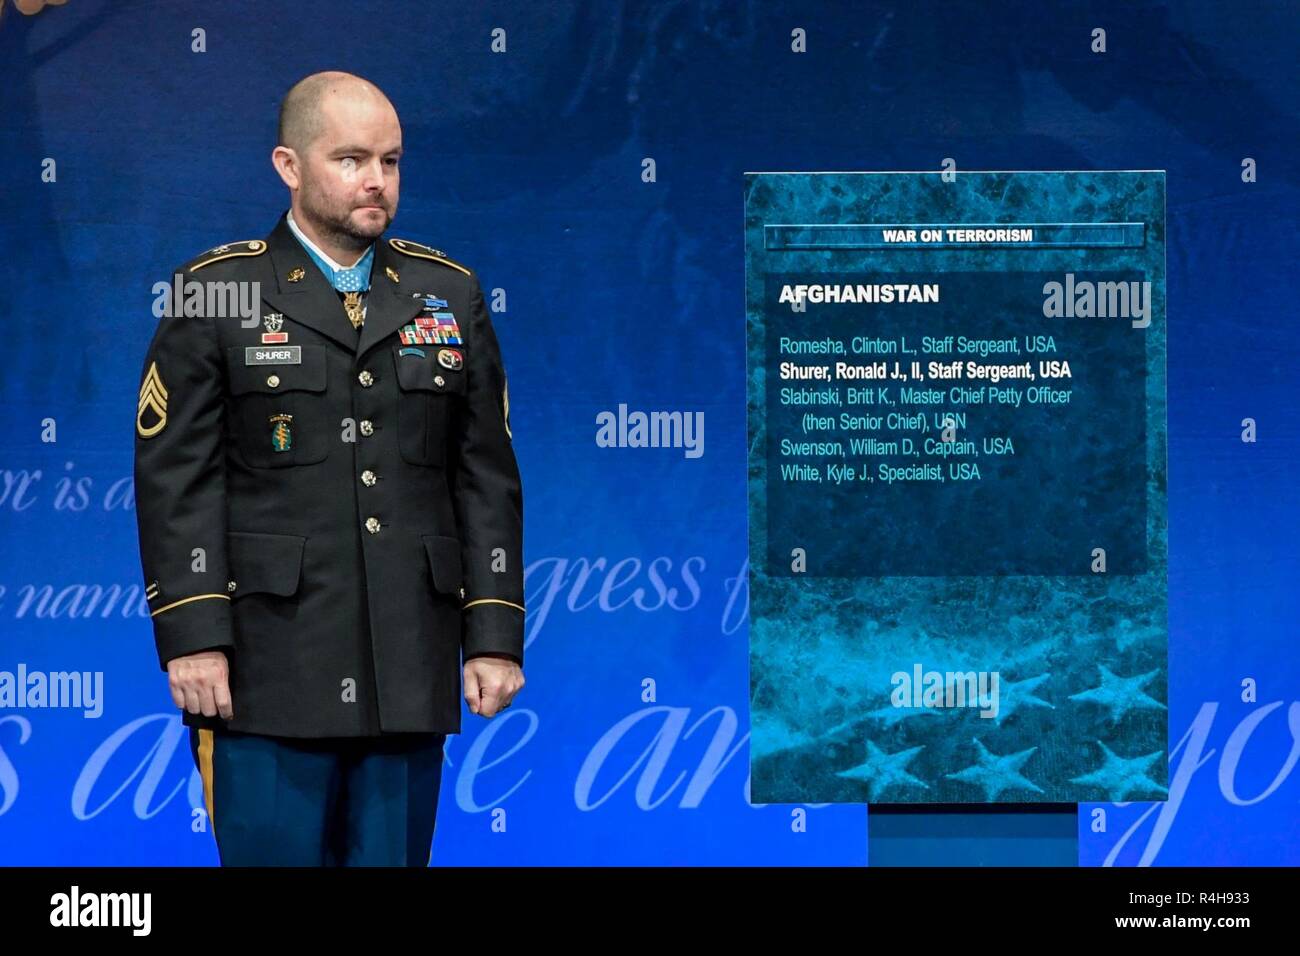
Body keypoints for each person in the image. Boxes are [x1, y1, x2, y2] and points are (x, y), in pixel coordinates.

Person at [132, 71, 525, 866]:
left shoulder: (448, 292)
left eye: (390, 160)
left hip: (407, 666)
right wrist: (194, 637)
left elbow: (485, 475)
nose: (375, 180)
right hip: (267, 668)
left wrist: (493, 635)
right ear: (289, 165)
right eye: (350, 159)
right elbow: (177, 478)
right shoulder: (217, 291)